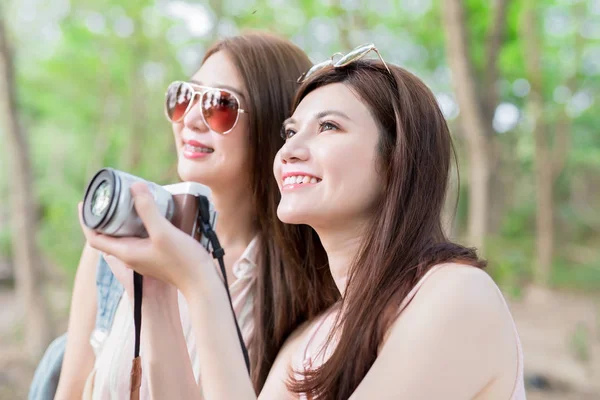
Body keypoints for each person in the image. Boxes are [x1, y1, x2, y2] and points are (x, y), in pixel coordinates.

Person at [81, 44, 526, 399]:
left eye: (329, 127)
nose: (290, 150)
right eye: (292, 132)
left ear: (396, 161)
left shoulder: (455, 295)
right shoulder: (312, 339)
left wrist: (201, 280)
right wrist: (158, 291)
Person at [31, 32, 338, 400]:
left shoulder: (304, 294)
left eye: (220, 104)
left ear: (276, 129)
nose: (190, 118)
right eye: (184, 97)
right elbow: (69, 393)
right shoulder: (117, 244)